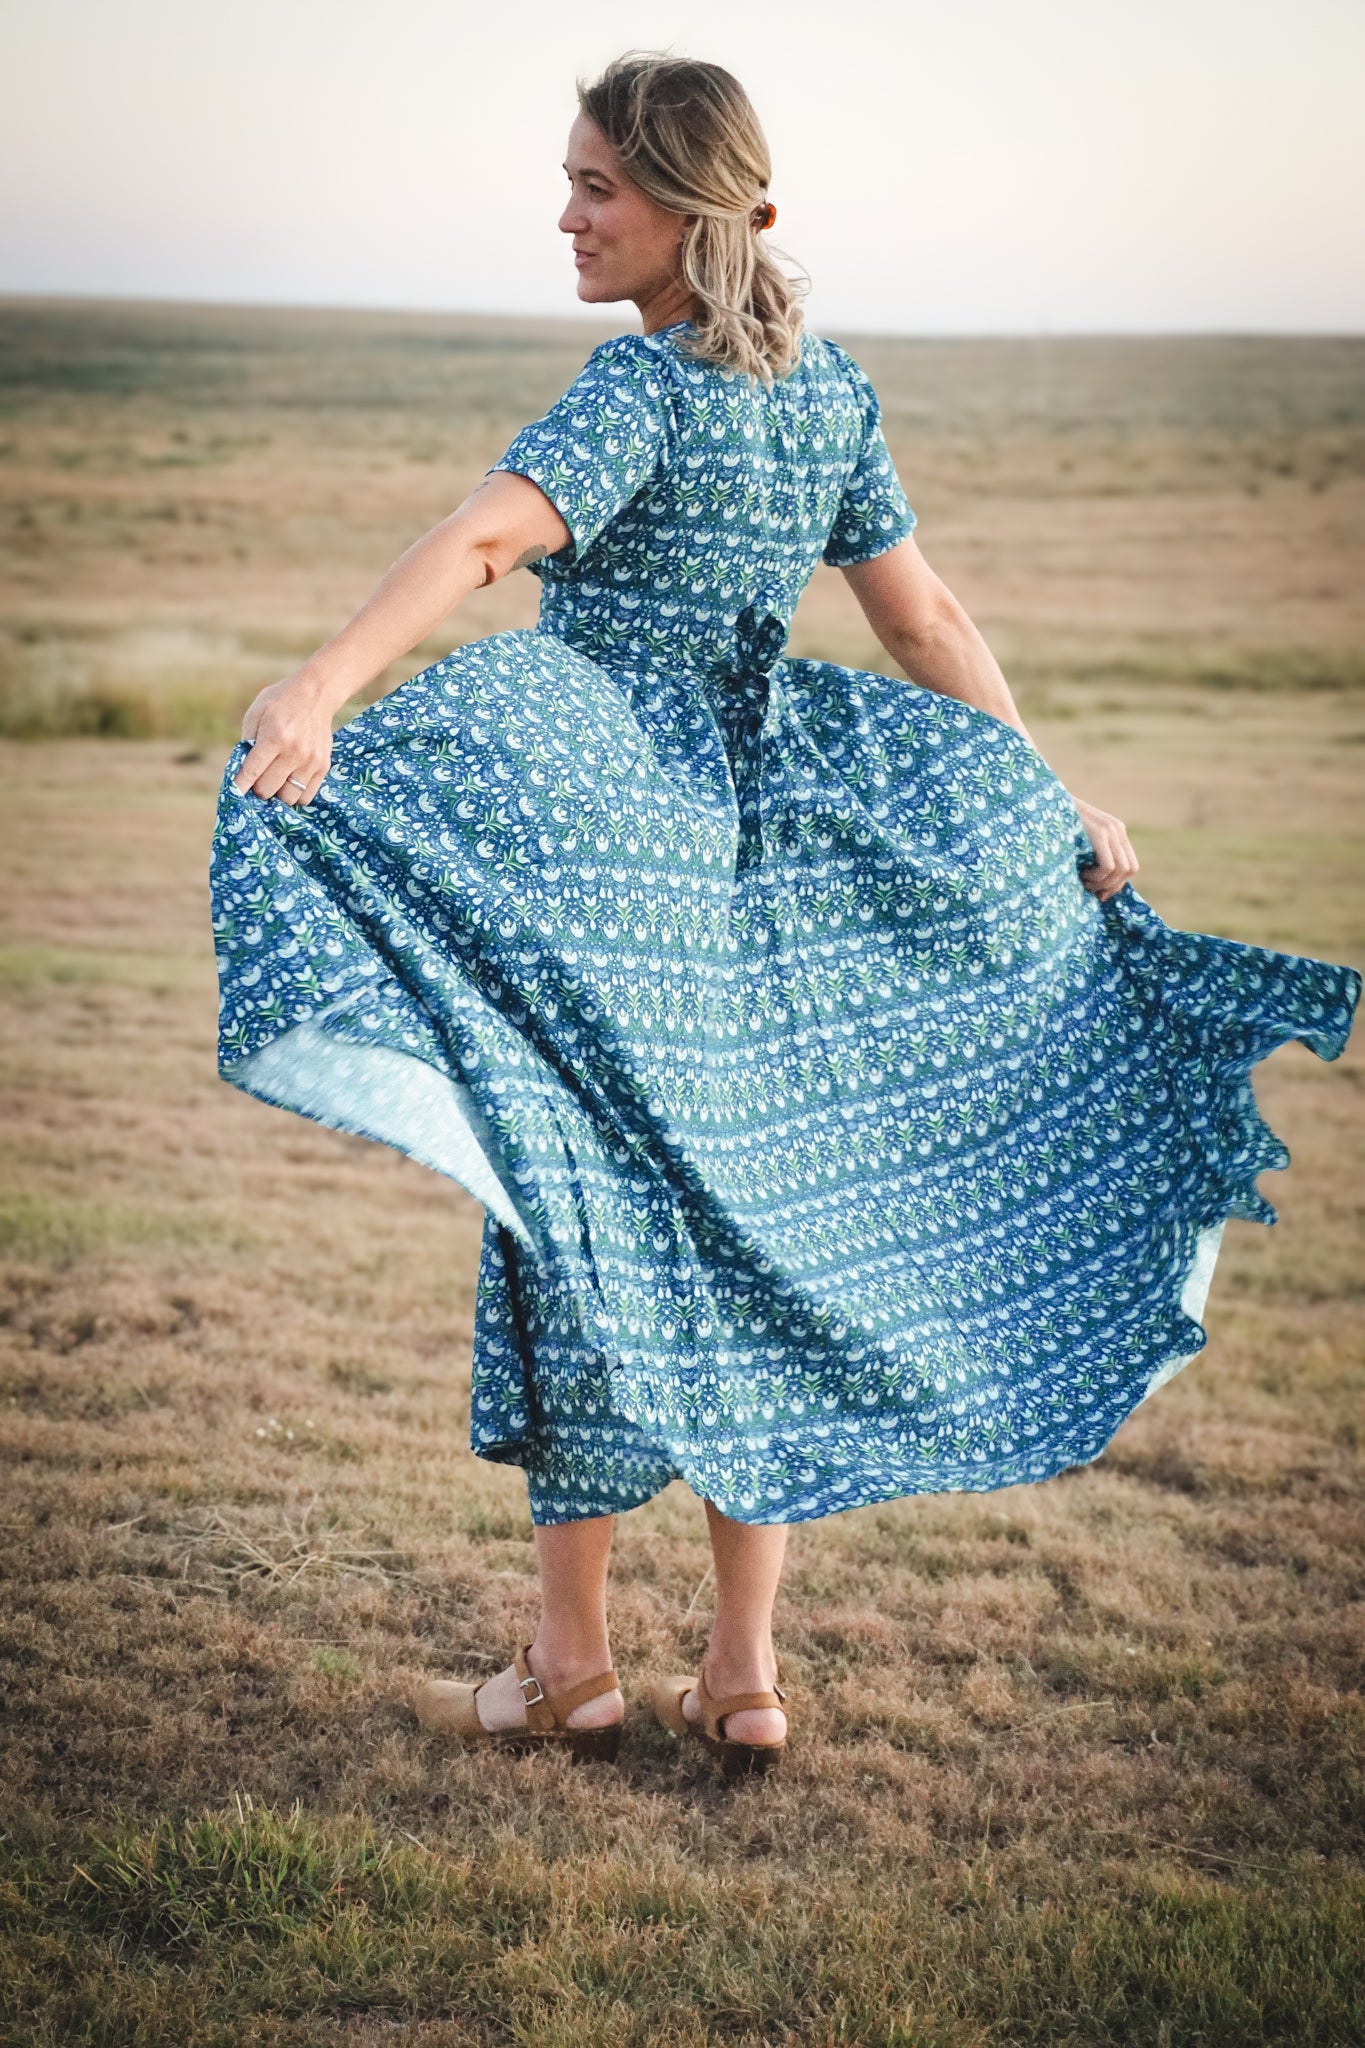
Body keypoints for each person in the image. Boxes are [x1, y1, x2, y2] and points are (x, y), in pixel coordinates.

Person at [210, 52, 1360, 1776]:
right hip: (768, 870)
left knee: (582, 1219)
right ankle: (741, 1674)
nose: (567, 215)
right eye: (572, 181)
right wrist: (1045, 794)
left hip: (616, 832)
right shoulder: (827, 395)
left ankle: (573, 1660)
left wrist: (316, 688)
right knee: (763, 1217)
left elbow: (479, 548)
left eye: (597, 184)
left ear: (691, 205)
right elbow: (928, 627)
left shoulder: (638, 392)